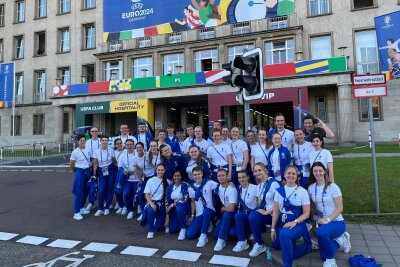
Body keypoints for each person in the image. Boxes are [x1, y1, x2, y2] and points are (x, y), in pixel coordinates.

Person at [308, 162, 351, 267]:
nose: (318, 173)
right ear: (312, 173)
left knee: (321, 233)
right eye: (315, 171)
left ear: (324, 171)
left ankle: (331, 262)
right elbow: (312, 208)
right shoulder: (311, 188)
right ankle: (342, 240)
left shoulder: (333, 187)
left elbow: (340, 208)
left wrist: (327, 220)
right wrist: (315, 219)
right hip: (322, 223)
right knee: (323, 256)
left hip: (336, 222)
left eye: (320, 170)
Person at [271, 166, 311, 267]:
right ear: (284, 175)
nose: (291, 175)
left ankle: (287, 264)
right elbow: (276, 211)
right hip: (282, 224)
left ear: (297, 176)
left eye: (294, 174)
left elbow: (306, 213)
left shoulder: (303, 191)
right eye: (289, 173)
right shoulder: (278, 191)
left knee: (284, 235)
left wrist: (295, 222)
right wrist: (272, 229)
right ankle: (306, 247)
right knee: (277, 246)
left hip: (298, 224)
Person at [248, 163, 281, 257]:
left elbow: (280, 203)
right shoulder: (259, 186)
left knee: (277, 246)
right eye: (255, 171)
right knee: (253, 217)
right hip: (269, 216)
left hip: (277, 216)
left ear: (265, 170)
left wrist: (267, 212)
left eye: (260, 170)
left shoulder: (273, 183)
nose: (258, 172)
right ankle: (259, 244)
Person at [186, 167, 219, 247]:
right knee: (190, 235)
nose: (197, 176)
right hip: (199, 214)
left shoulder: (209, 183)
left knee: (206, 212)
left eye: (199, 174)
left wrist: (230, 183)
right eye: (195, 175)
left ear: (202, 174)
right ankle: (206, 224)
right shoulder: (191, 188)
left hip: (210, 211)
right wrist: (193, 215)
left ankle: (204, 236)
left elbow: (220, 186)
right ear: (193, 176)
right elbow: (193, 201)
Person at [232, 170, 258, 253]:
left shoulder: (255, 188)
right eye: (239, 178)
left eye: (243, 177)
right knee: (232, 233)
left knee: (238, 216)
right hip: (245, 215)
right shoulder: (239, 188)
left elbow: (260, 204)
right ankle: (247, 233)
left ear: (248, 177)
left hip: (254, 216)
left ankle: (242, 241)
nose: (241, 179)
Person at [212, 169, 238, 251]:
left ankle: (221, 240)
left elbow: (231, 209)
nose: (221, 177)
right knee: (215, 235)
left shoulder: (232, 189)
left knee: (227, 215)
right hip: (226, 215)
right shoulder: (218, 187)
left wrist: (223, 208)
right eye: (219, 176)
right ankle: (224, 233)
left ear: (227, 177)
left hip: (234, 214)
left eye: (223, 175)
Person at [141, 163, 169, 239]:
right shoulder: (151, 180)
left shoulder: (167, 181)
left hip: (162, 204)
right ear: (156, 170)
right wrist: (151, 204)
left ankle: (156, 220)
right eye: (159, 170)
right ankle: (150, 230)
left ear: (165, 171)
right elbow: (147, 194)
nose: (160, 171)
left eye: (162, 170)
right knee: (151, 210)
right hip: (152, 202)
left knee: (159, 228)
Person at [137, 140, 162, 220]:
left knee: (152, 196)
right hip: (146, 177)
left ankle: (152, 213)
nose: (153, 147)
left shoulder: (160, 155)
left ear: (157, 146)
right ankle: (144, 211)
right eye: (151, 146)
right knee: (141, 195)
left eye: (154, 146)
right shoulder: (146, 155)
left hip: (156, 177)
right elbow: (138, 165)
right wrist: (141, 175)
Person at [92, 136, 116, 216]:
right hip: (102, 170)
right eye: (103, 140)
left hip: (111, 170)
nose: (104, 142)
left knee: (109, 189)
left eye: (106, 140)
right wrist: (94, 174)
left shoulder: (111, 150)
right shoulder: (96, 151)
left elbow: (114, 160)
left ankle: (107, 207)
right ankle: (100, 208)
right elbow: (95, 163)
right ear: (100, 141)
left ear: (108, 141)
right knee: (101, 190)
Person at [70, 134, 91, 220]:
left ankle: (82, 207)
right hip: (80, 171)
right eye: (80, 141)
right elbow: (72, 164)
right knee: (78, 192)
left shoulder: (88, 149)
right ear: (78, 142)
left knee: (86, 190)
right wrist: (76, 171)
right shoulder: (75, 152)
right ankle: (76, 212)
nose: (82, 142)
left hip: (87, 171)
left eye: (83, 140)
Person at [165, 170, 190, 240]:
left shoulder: (185, 185)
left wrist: (174, 204)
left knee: (179, 208)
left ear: (181, 176)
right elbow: (167, 201)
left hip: (184, 207)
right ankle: (180, 223)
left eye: (179, 176)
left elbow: (186, 199)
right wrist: (167, 214)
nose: (177, 177)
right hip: (174, 209)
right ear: (173, 177)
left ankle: (183, 228)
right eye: (175, 176)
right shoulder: (169, 187)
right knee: (172, 230)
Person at [118, 139, 138, 219]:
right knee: (126, 194)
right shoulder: (122, 155)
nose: (129, 146)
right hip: (128, 179)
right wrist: (124, 172)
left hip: (137, 178)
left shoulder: (138, 153)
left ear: (134, 145)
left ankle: (137, 208)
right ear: (125, 146)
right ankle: (131, 210)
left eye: (131, 144)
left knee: (137, 195)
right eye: (127, 144)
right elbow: (119, 167)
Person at [112, 138, 124, 210]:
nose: (119, 145)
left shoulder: (125, 151)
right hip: (115, 170)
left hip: (122, 170)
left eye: (120, 143)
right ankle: (118, 201)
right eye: (117, 144)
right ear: (115, 145)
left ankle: (122, 203)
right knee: (116, 187)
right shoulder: (113, 152)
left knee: (121, 187)